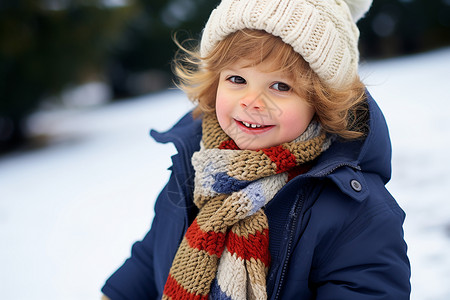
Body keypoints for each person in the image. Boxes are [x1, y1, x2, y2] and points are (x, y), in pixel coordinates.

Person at [101, 0, 411, 299]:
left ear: (321, 103)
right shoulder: (198, 166)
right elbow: (156, 250)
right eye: (237, 78)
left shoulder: (354, 211)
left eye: (280, 86)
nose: (251, 101)